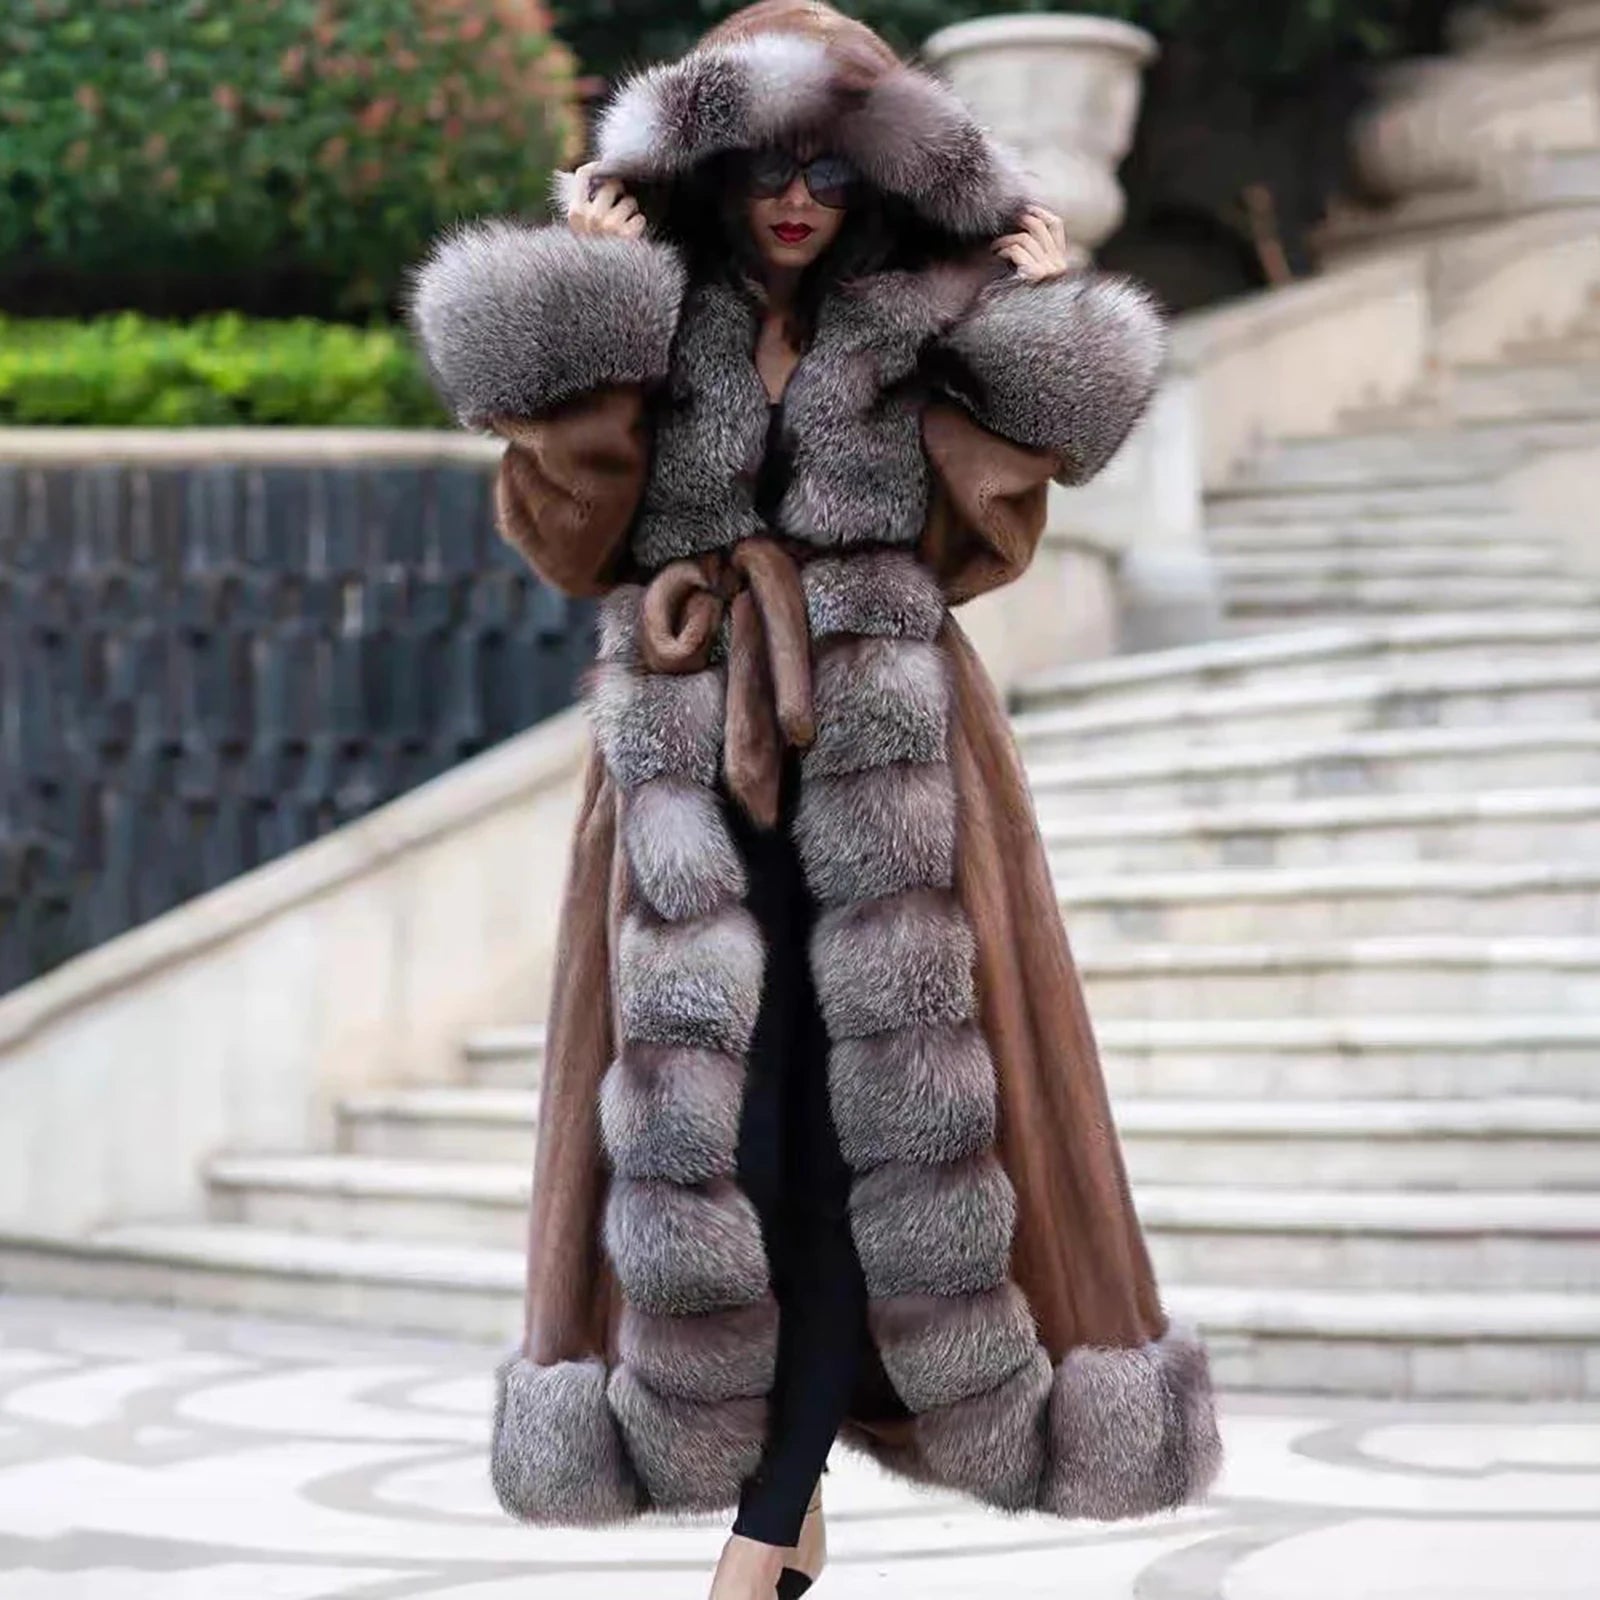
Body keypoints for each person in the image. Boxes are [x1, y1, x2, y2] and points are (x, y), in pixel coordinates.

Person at [409, 4, 1221, 1597]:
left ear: (874, 184)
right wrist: (590, 303)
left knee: (887, 1146)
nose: (797, 199)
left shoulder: (918, 323)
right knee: (737, 1146)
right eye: (766, 167)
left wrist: (1039, 319)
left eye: (832, 174)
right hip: (683, 767)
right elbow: (570, 540)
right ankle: (788, 1493)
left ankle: (767, 1531)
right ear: (706, 172)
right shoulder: (652, 317)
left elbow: (981, 542)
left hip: (899, 769)